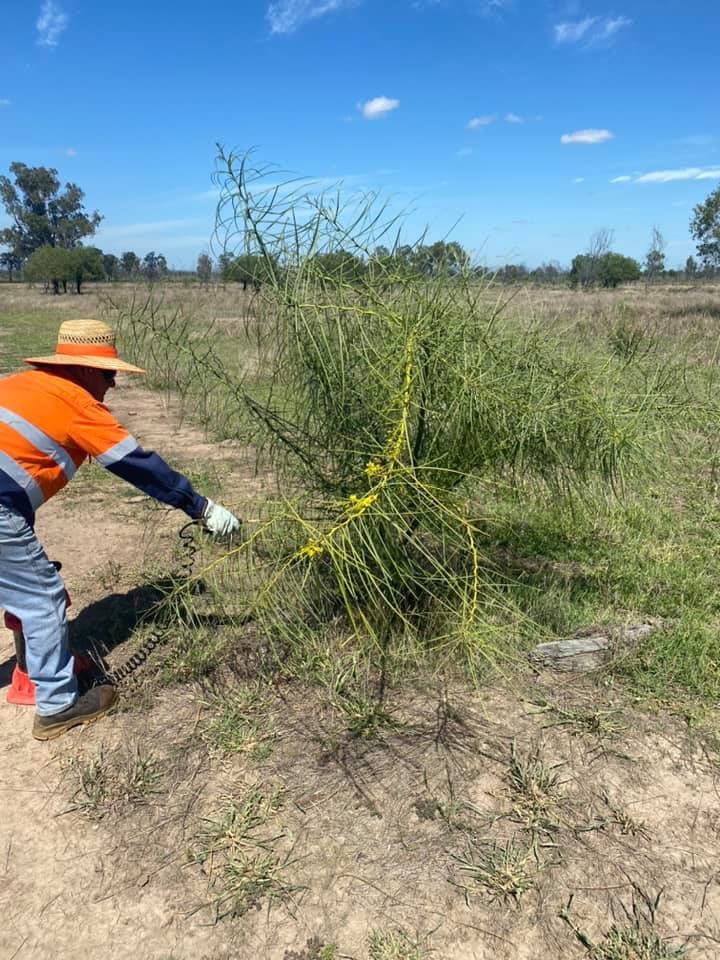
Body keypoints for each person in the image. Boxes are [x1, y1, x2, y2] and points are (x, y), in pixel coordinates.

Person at [0, 318, 240, 740]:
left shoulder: (19, 386)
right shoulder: (77, 404)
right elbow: (137, 465)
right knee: (41, 599)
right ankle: (57, 705)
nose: (112, 384)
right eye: (109, 374)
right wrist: (201, 508)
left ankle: (36, 663)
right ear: (87, 370)